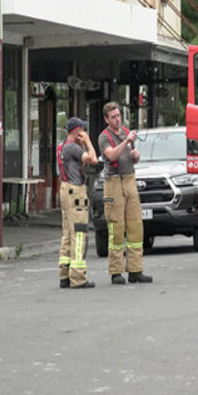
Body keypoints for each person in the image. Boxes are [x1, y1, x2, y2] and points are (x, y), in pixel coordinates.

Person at [98, 102, 152, 285]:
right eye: (113, 116)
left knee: (136, 225)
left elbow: (128, 156)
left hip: (130, 180)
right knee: (117, 227)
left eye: (118, 115)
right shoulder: (104, 137)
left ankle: (136, 270)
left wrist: (135, 156)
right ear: (106, 119)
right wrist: (127, 141)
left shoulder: (125, 132)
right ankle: (116, 272)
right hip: (113, 183)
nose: (117, 119)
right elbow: (112, 155)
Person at [57, 116, 98, 289]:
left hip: (65, 190)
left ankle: (64, 274)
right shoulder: (73, 148)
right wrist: (88, 142)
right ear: (76, 131)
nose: (84, 132)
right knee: (79, 233)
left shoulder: (62, 147)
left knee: (68, 232)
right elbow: (93, 159)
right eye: (83, 130)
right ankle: (78, 277)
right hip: (76, 192)